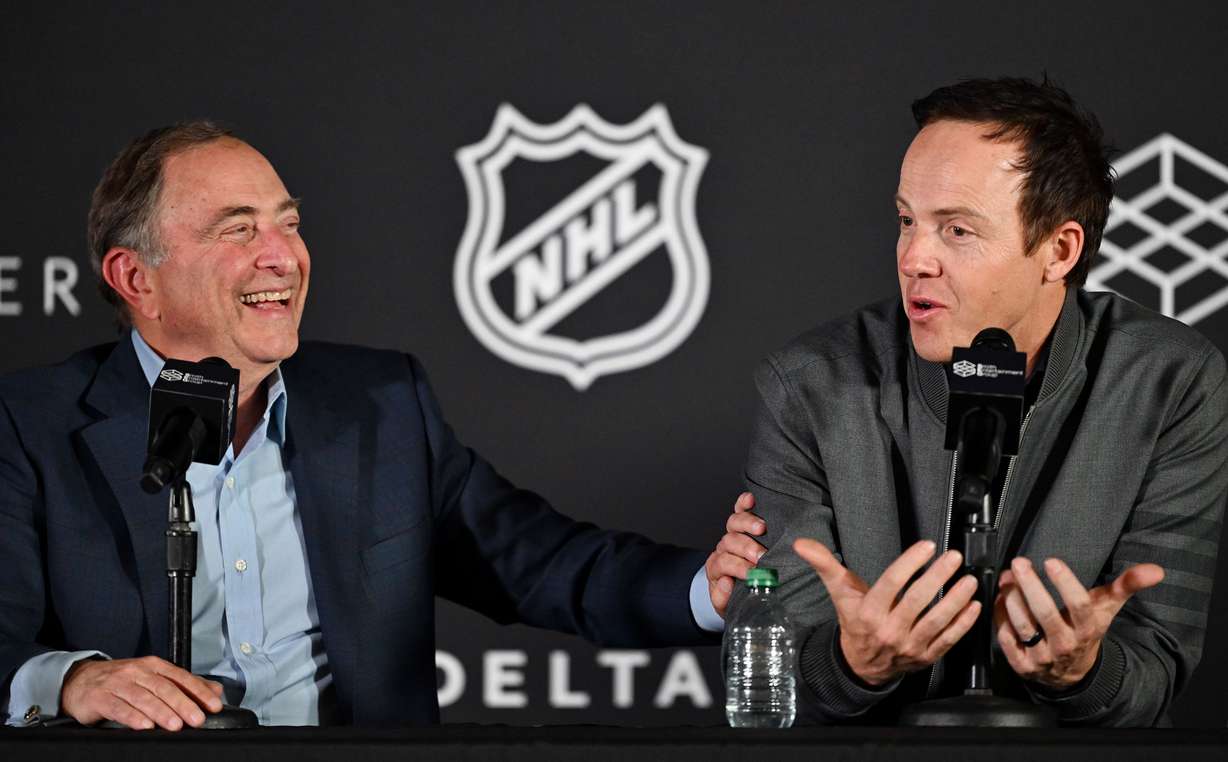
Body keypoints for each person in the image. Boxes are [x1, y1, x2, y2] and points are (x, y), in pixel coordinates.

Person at [0, 122, 760, 729]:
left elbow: (539, 562)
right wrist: (74, 679)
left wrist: (705, 588)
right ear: (136, 278)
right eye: (237, 231)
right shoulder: (31, 426)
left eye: (287, 223)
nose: (283, 257)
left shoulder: (378, 403)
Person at [727, 77, 1228, 726]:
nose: (914, 258)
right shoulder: (809, 383)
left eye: (957, 230)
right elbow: (774, 661)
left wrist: (1085, 673)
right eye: (907, 221)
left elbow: (1154, 671)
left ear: (1059, 250)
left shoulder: (1170, 383)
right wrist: (852, 663)